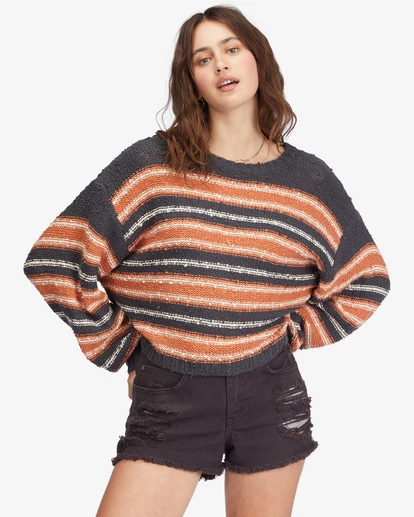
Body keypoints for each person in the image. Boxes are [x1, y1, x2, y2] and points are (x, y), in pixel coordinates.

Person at [23, 5, 390, 517]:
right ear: (191, 80)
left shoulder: (310, 182)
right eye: (203, 57)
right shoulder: (153, 166)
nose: (221, 63)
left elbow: (366, 279)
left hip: (270, 393)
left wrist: (291, 333)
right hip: (171, 391)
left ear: (258, 59)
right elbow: (56, 259)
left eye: (232, 48)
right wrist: (123, 348)